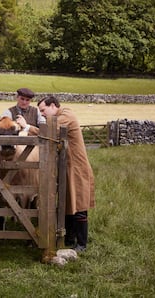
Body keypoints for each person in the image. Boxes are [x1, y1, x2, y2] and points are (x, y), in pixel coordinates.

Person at [37, 96, 95, 252]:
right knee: (68, 203)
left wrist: (28, 128)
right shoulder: (61, 115)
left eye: (43, 110)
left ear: (53, 106)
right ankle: (70, 238)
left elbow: (50, 134)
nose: (42, 114)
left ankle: (82, 243)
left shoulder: (66, 115)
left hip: (77, 167)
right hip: (69, 166)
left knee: (79, 205)